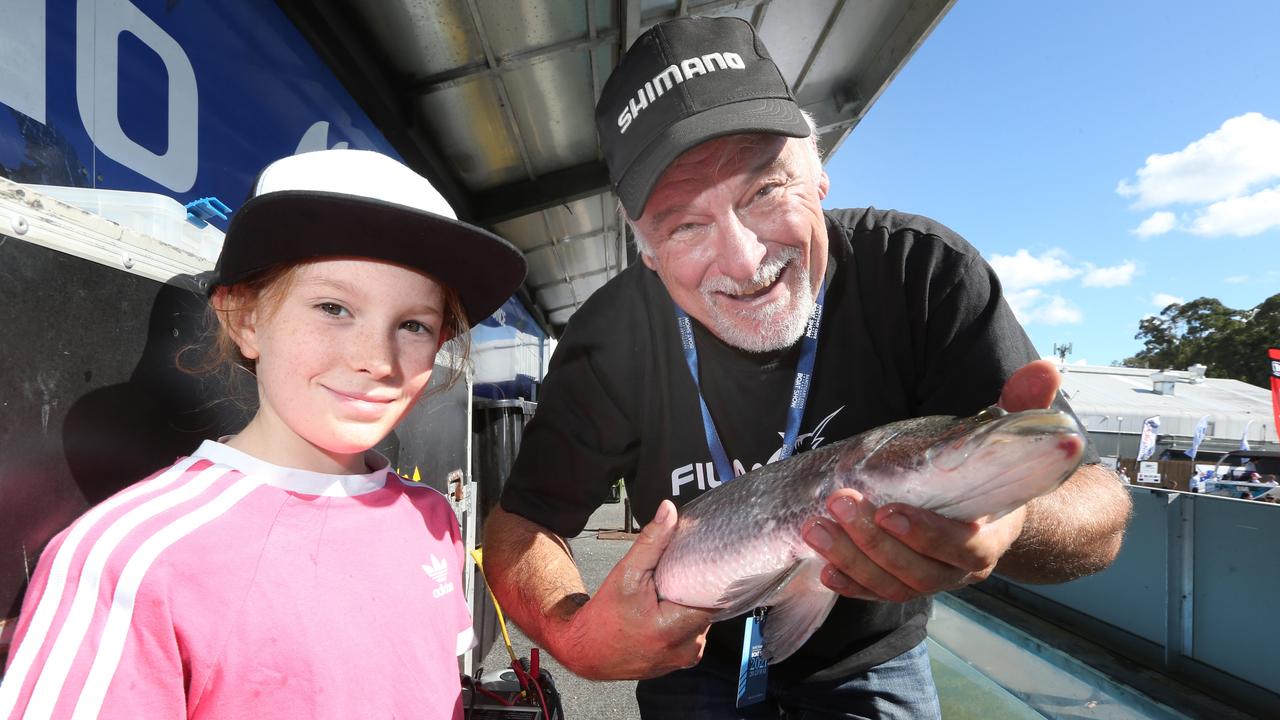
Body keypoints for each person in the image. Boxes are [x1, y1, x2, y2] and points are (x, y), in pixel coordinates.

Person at [481, 16, 1132, 719]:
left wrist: (1006, 517)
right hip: (686, 662)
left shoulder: (920, 272)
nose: (742, 260)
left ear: (820, 175)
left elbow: (1099, 512)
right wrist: (574, 633)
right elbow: (518, 526)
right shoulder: (609, 334)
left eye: (763, 191)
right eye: (684, 224)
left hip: (872, 660)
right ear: (644, 248)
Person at [0, 149, 527, 719]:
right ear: (245, 319)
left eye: (414, 325)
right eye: (333, 307)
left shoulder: (433, 521)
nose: (378, 359)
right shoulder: (125, 560)